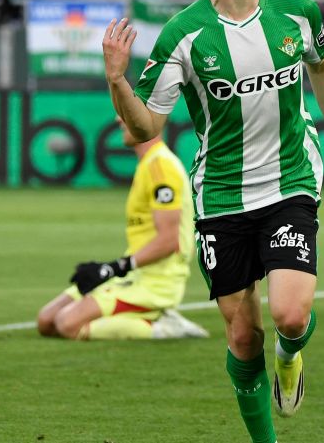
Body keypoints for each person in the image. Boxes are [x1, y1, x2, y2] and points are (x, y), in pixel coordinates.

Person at [99, 0, 324, 442]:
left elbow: (322, 68)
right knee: (244, 337)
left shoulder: (295, 9)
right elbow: (145, 127)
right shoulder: (185, 35)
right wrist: (117, 81)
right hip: (222, 193)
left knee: (290, 315)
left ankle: (290, 356)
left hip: (291, 177)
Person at [36, 118, 208, 340]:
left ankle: (163, 326)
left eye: (128, 112)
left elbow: (168, 240)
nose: (119, 118)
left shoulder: (161, 167)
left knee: (67, 324)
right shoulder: (148, 163)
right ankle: (145, 317)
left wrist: (115, 267)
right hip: (133, 272)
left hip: (157, 281)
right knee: (47, 320)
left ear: (152, 120)